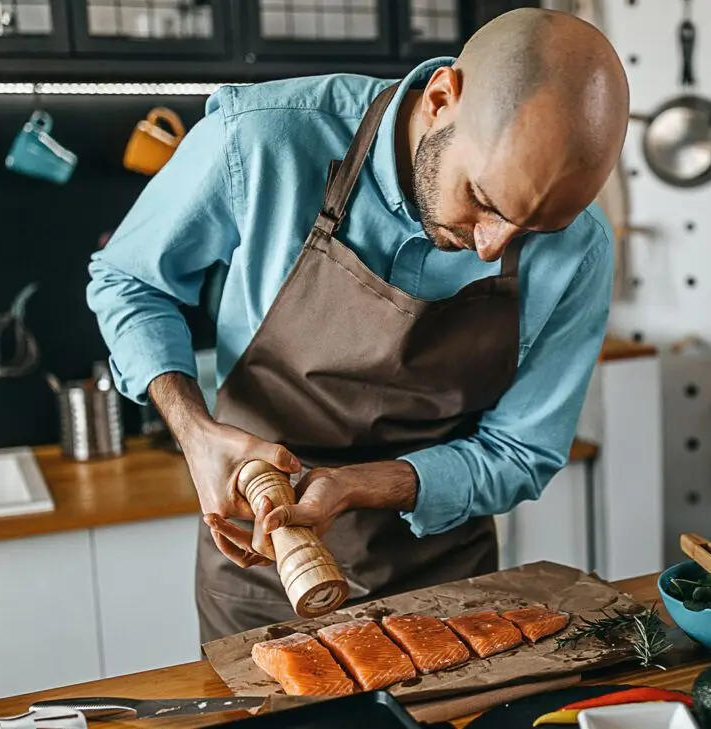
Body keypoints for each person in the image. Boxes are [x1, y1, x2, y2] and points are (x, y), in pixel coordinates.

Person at [85, 8, 631, 642]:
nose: (491, 247)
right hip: (262, 568)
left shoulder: (583, 252)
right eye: (482, 200)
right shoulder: (262, 140)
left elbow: (521, 451)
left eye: (536, 230)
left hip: (448, 585)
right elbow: (130, 280)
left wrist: (356, 486)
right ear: (441, 99)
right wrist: (195, 431)